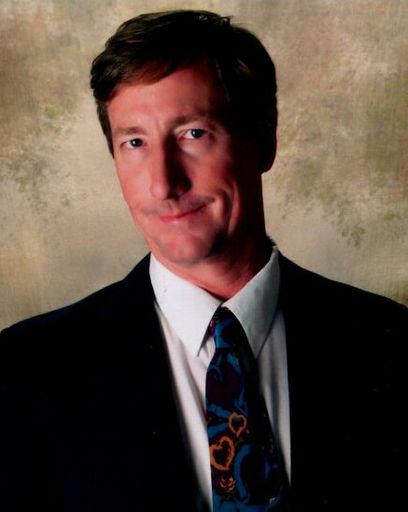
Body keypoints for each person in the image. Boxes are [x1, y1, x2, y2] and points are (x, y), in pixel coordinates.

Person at [0, 10, 406, 512]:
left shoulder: (393, 344)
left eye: (193, 134)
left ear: (264, 140)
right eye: (134, 142)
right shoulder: (27, 372)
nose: (163, 183)